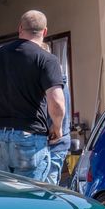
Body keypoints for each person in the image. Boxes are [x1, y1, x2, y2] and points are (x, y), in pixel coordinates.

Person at [0, 10, 65, 181]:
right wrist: (57, 128)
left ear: (20, 28)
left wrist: (2, 114)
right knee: (31, 196)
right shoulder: (46, 59)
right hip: (30, 135)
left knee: (3, 193)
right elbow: (57, 102)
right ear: (44, 31)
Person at [40, 43, 72, 185]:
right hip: (53, 143)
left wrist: (57, 128)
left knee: (48, 189)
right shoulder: (58, 79)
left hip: (53, 142)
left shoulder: (54, 83)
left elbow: (57, 107)